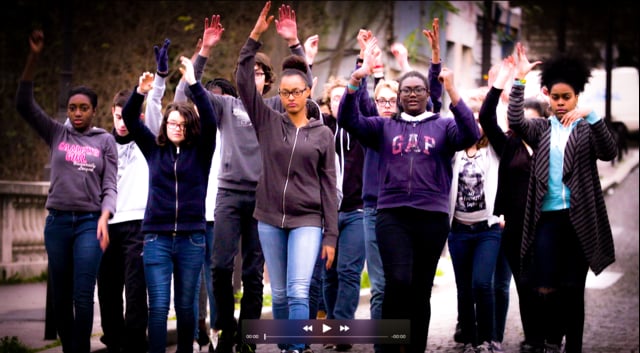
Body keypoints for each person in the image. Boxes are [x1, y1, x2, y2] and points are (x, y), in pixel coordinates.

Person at [338, 32, 479, 353]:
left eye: (418, 89)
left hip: (432, 218)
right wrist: (355, 82)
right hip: (393, 216)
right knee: (397, 284)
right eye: (406, 90)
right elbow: (349, 119)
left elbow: (470, 132)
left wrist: (454, 92)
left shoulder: (443, 126)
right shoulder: (384, 127)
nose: (412, 94)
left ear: (428, 94)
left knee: (419, 290)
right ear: (399, 96)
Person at [188, 13, 314, 353]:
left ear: (268, 80)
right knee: (219, 267)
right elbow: (191, 87)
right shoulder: (225, 105)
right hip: (229, 194)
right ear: (242, 77)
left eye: (260, 73)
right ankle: (226, 330)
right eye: (250, 72)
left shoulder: (277, 108)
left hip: (264, 198)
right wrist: (205, 49)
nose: (254, 77)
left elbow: (305, 86)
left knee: (254, 275)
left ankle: (248, 338)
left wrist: (294, 43)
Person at [236, 2, 338, 352]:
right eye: (285, 92)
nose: (291, 97)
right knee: (278, 293)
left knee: (297, 289)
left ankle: (295, 348)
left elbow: (328, 186)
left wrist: (332, 234)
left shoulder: (322, 134)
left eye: (297, 91)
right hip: (268, 219)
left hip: (307, 220)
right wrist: (254, 37)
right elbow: (242, 82)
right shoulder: (268, 123)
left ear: (309, 92)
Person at [507, 43, 617, 353]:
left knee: (572, 287)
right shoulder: (540, 129)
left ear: (577, 96)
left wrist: (592, 116)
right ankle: (552, 339)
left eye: (566, 97)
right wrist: (518, 81)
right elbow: (515, 121)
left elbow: (610, 152)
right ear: (547, 96)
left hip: (579, 219)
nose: (560, 103)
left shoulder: (586, 129)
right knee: (546, 288)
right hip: (547, 220)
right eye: (554, 97)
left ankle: (574, 347)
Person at [16, 29, 117, 353]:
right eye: (72, 107)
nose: (76, 113)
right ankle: (70, 349)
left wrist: (104, 217)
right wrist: (33, 57)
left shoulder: (105, 141)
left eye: (83, 108)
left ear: (93, 110)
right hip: (57, 222)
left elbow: (110, 185)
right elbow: (24, 104)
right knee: (60, 294)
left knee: (82, 293)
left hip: (89, 223)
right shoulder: (57, 133)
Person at [121, 27, 220, 351]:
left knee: (187, 309)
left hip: (192, 238)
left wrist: (193, 82)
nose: (176, 127)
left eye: (181, 123)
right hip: (157, 238)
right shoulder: (154, 150)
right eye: (171, 123)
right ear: (164, 126)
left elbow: (208, 114)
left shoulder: (201, 152)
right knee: (159, 308)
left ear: (189, 127)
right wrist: (140, 91)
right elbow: (130, 120)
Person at [96, 38, 169, 353]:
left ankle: (136, 342)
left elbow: (153, 106)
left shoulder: (146, 139)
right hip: (108, 224)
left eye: (126, 117)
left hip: (140, 223)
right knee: (108, 287)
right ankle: (113, 339)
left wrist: (160, 78)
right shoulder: (102, 143)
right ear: (111, 115)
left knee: (136, 288)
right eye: (116, 117)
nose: (121, 123)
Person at [447, 84, 502, 353]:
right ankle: (469, 338)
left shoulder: (493, 151)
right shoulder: (453, 152)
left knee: (482, 282)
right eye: (471, 119)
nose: (475, 124)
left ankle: (487, 339)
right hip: (458, 230)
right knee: (463, 288)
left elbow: (495, 119)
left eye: (479, 120)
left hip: (487, 229)